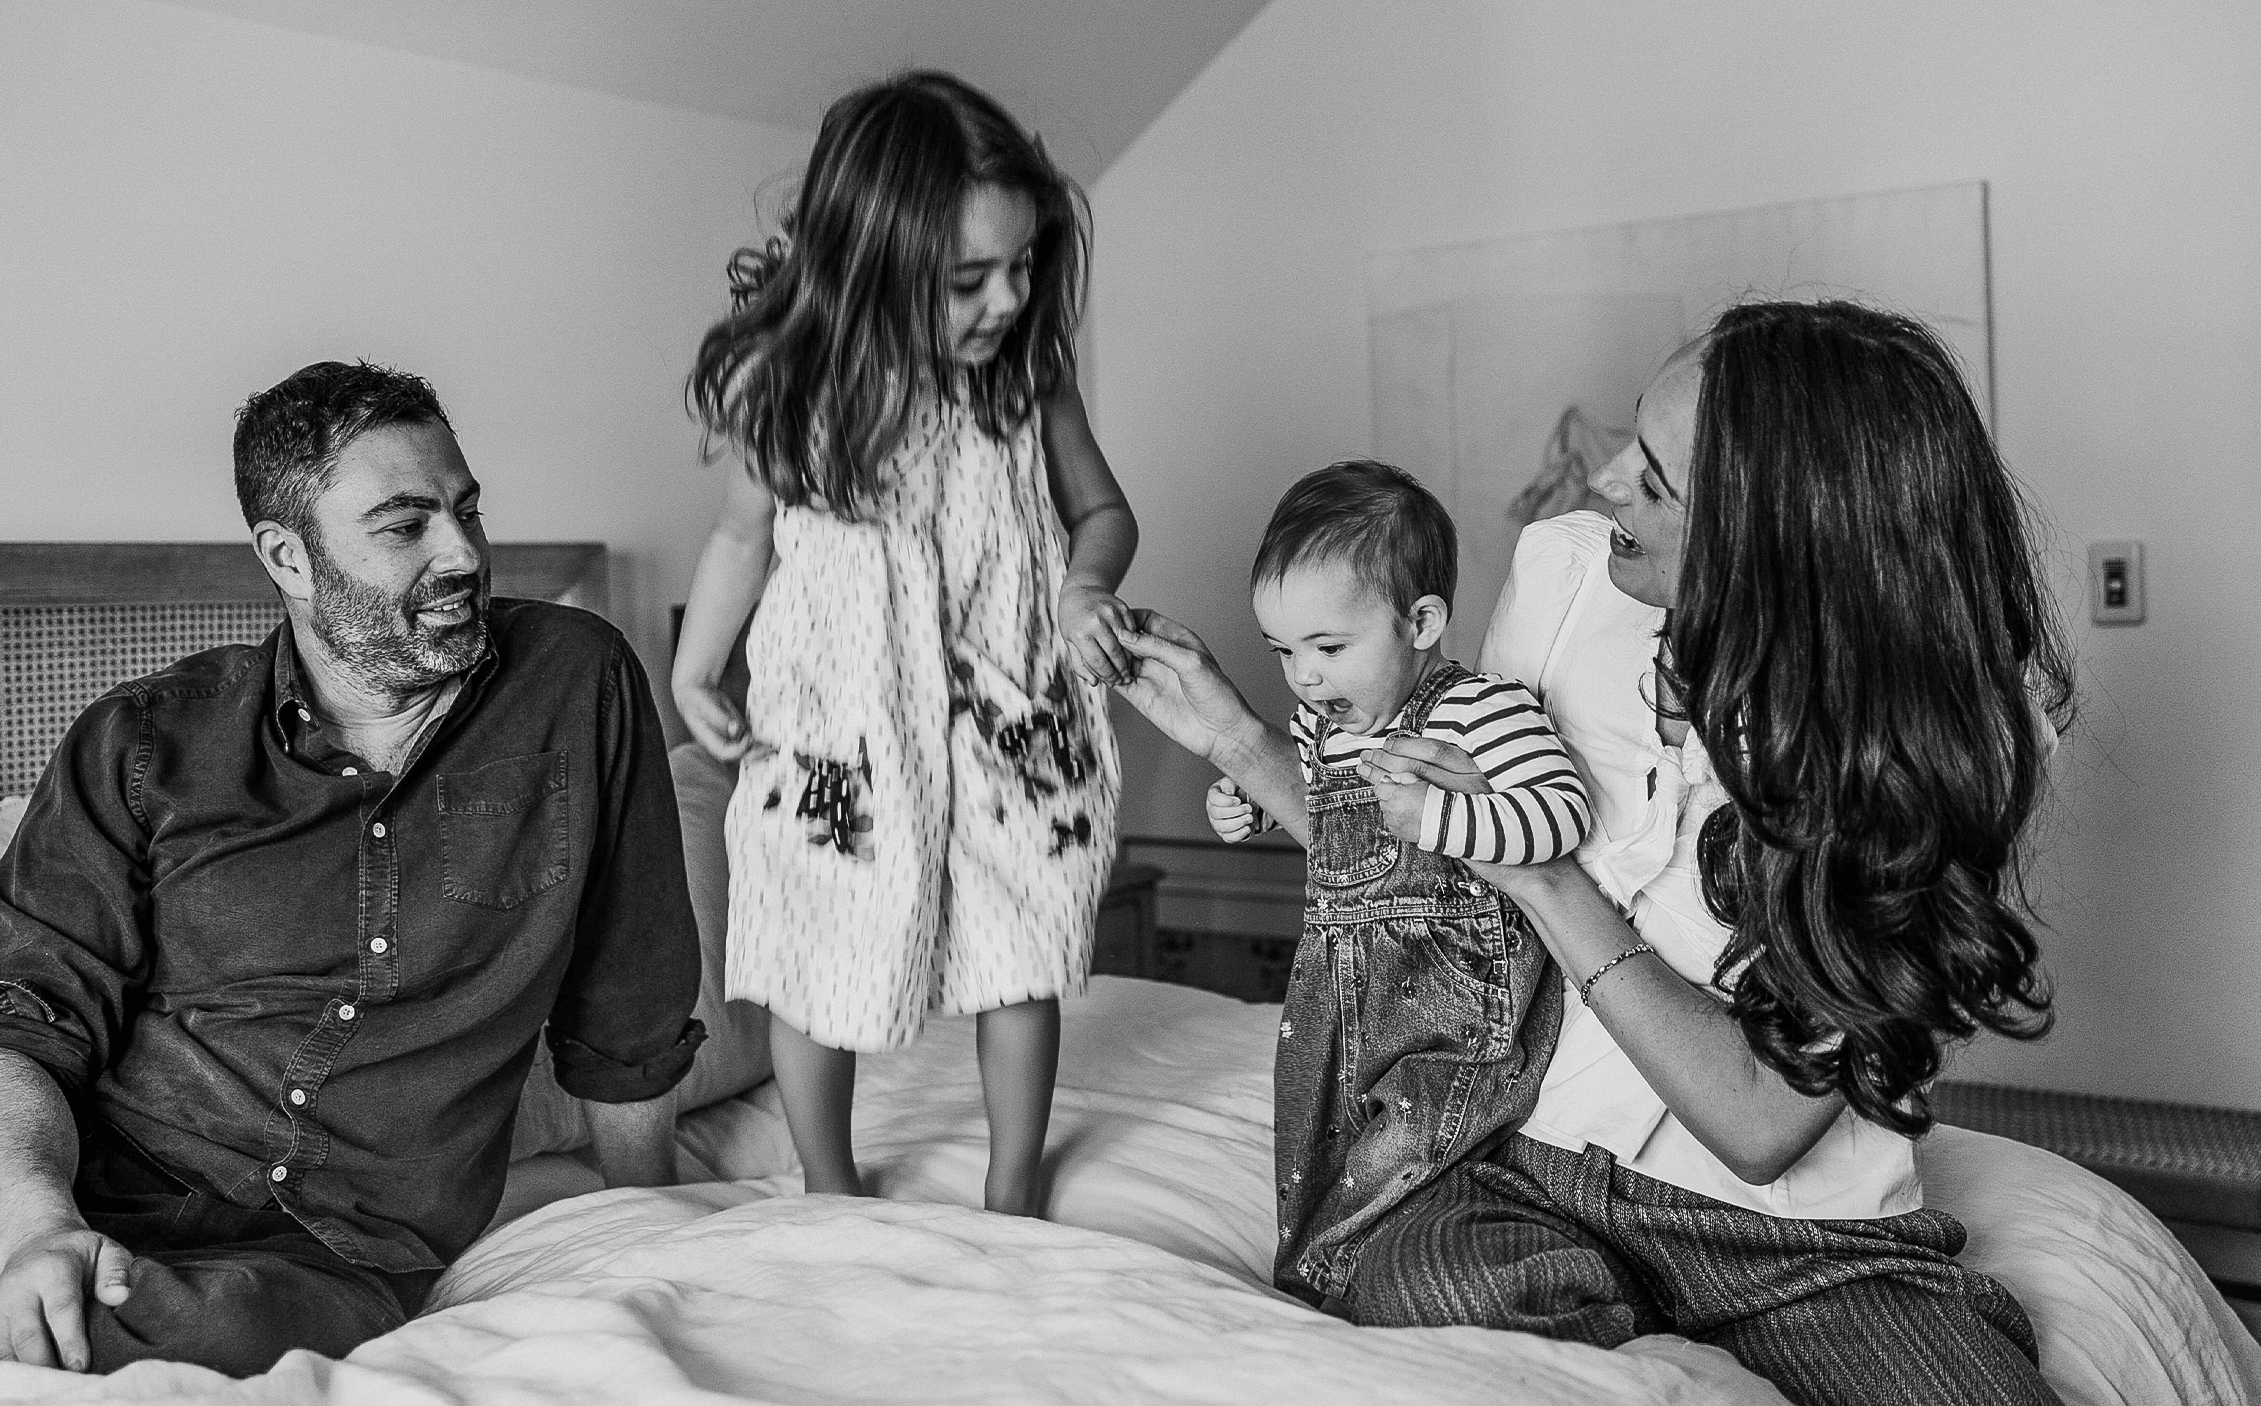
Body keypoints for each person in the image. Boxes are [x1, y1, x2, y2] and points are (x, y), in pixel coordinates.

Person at [1116, 301, 2070, 1406]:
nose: (1607, 480)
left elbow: (1761, 1123)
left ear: (1782, 536)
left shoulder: (1948, 735)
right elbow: (1426, 856)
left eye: (1657, 481)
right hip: (1524, 1172)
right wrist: (1235, 734)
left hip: (1797, 1241)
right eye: (1633, 441)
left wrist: (1536, 869)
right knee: (1415, 1280)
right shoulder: (1565, 574)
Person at [0, 361, 706, 1394]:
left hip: (325, 1252)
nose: (463, 552)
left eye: (466, 507)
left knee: (174, 1332)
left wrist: (648, 1238)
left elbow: (629, 993)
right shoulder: (145, 743)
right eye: (404, 525)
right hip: (68, 1175)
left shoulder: (574, 680)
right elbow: (16, 1020)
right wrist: (35, 1231)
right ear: (287, 556)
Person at [674, 70, 1134, 1217]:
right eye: (969, 279)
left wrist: (1083, 588)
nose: (1006, 300)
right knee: (814, 943)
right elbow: (739, 538)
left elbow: (1106, 514)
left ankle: (1013, 1184)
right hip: (844, 720)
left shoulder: (1026, 382)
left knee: (1016, 941)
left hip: (1005, 706)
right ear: (868, 262)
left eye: (1023, 268)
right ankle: (828, 1182)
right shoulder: (789, 391)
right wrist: (693, 665)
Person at [1204, 459, 1589, 1306]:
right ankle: (1320, 1274)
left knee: (1401, 1155)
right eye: (1284, 652)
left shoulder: (1482, 709)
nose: (1303, 678)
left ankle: (1357, 1275)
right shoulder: (1321, 724)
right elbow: (1325, 809)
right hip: (1337, 1005)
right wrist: (1248, 806)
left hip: (1450, 1013)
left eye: (1329, 648)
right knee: (1316, 1154)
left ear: (1420, 621)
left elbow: (1563, 816)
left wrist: (1441, 822)